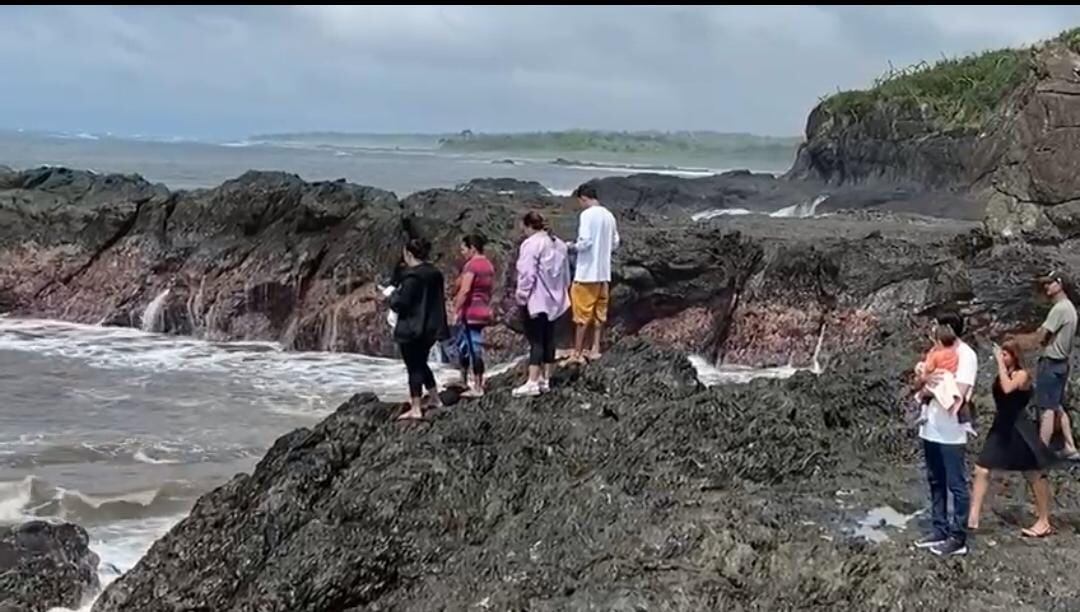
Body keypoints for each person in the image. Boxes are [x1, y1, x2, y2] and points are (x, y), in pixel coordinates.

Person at [967, 341, 1055, 537]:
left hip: (1019, 428)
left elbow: (1007, 389)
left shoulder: (1021, 375)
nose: (1003, 357)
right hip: (1001, 427)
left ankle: (1043, 521)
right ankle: (973, 517)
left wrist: (999, 362)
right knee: (982, 469)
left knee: (1033, 474)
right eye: (1002, 354)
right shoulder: (1004, 374)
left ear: (1014, 356)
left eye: (1006, 354)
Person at [914, 312, 977, 557]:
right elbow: (921, 382)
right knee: (934, 479)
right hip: (930, 425)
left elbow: (958, 392)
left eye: (938, 326)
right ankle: (939, 528)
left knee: (956, 483)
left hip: (952, 430)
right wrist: (926, 381)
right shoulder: (935, 351)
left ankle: (958, 536)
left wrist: (929, 385)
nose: (934, 330)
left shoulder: (966, 355)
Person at [1007, 271, 1079, 460]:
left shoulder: (1060, 309)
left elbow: (1040, 338)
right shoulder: (1070, 308)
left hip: (1051, 363)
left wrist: (1015, 341)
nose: (1046, 287)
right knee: (1057, 405)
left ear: (1060, 284)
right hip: (1062, 364)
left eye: (1050, 283)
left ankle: (1040, 452)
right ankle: (1070, 447)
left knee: (1046, 408)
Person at [387, 238, 449, 421]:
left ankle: (415, 407)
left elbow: (401, 304)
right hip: (431, 327)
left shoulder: (412, 277)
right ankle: (435, 398)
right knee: (421, 363)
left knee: (413, 367)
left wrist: (391, 296)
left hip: (412, 329)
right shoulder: (435, 273)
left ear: (409, 254)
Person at [512, 211, 571, 397]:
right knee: (549, 338)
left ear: (528, 225)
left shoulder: (531, 244)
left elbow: (527, 274)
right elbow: (566, 274)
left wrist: (522, 296)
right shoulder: (559, 244)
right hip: (555, 299)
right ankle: (546, 379)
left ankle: (532, 381)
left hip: (536, 299)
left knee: (536, 340)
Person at [568, 183, 619, 363]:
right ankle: (595, 348)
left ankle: (577, 353)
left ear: (583, 198)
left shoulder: (587, 215)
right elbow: (615, 243)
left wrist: (571, 247)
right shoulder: (609, 215)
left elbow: (585, 242)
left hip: (587, 274)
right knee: (599, 314)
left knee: (582, 316)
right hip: (604, 273)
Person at [450, 234, 495, 398]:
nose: (462, 253)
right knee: (463, 345)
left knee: (473, 347)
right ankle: (463, 380)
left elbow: (465, 289)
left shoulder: (472, 265)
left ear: (472, 248)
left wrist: (456, 310)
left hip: (470, 312)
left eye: (464, 249)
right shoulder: (488, 265)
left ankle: (477, 385)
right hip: (482, 309)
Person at [908, 323, 963, 427]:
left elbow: (929, 368)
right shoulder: (954, 353)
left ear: (939, 342)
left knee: (922, 397)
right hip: (949, 380)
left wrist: (923, 367)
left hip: (937, 381)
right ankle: (965, 420)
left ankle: (922, 413)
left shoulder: (936, 355)